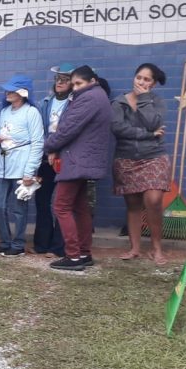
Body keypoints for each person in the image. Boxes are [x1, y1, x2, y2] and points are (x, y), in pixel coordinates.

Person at [44, 65, 113, 271]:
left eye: (78, 83)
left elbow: (67, 128)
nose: (74, 88)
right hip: (85, 159)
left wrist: (49, 147)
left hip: (77, 160)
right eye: (73, 84)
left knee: (61, 206)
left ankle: (73, 256)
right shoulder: (98, 96)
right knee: (80, 207)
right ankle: (84, 253)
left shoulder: (89, 98)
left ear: (92, 81)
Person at [111, 63, 170, 265]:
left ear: (153, 84)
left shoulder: (157, 102)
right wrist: (148, 135)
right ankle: (135, 248)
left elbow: (154, 123)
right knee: (133, 204)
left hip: (154, 156)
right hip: (126, 157)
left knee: (153, 200)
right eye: (139, 77)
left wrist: (144, 100)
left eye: (147, 79)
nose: (141, 82)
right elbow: (118, 129)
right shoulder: (119, 102)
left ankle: (157, 248)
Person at [0, 74, 44, 257]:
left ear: (23, 92)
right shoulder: (5, 111)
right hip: (3, 163)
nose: (7, 92)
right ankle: (5, 241)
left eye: (12, 90)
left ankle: (18, 244)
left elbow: (37, 142)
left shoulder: (31, 112)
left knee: (19, 208)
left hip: (21, 164)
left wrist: (29, 171)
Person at [33, 64, 73, 257]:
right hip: (44, 156)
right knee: (42, 200)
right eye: (58, 78)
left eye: (65, 79)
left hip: (65, 156)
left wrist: (56, 149)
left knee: (62, 202)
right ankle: (42, 243)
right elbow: (39, 130)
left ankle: (58, 247)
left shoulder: (75, 103)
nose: (60, 82)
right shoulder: (45, 102)